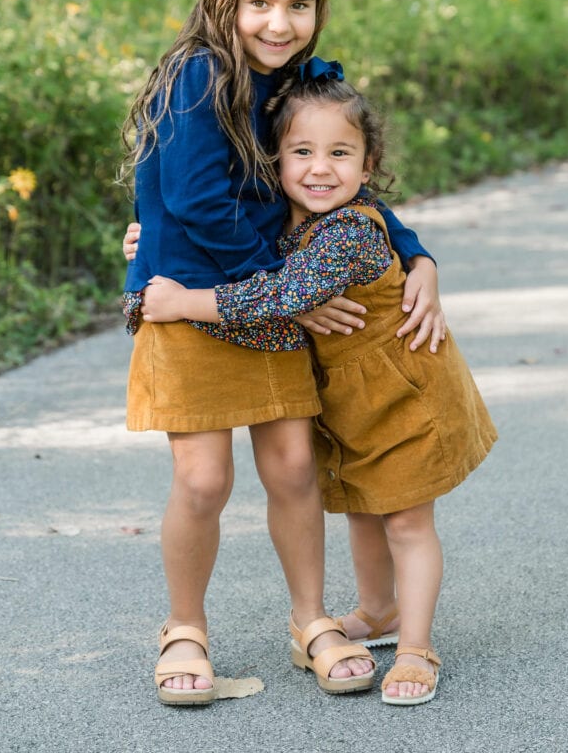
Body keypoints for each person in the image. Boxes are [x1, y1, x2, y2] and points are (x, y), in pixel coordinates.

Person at [120, 0, 446, 705]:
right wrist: (286, 293)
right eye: (259, 2)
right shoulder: (196, 75)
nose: (278, 22)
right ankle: (184, 628)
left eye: (297, 5)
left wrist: (414, 254)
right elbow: (196, 199)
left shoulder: (300, 83)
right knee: (202, 481)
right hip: (188, 306)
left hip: (271, 303)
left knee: (295, 470)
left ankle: (310, 621)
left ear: (318, 4)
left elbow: (348, 178)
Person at [139, 68, 498, 706]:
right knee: (364, 507)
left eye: (340, 154)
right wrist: (150, 238)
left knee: (406, 518)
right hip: (358, 403)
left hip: (406, 398)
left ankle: (415, 648)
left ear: (368, 163)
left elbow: (282, 294)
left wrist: (184, 301)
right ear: (273, 160)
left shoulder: (348, 231)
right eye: (302, 152)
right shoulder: (291, 215)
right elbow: (197, 209)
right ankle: (378, 611)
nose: (320, 168)